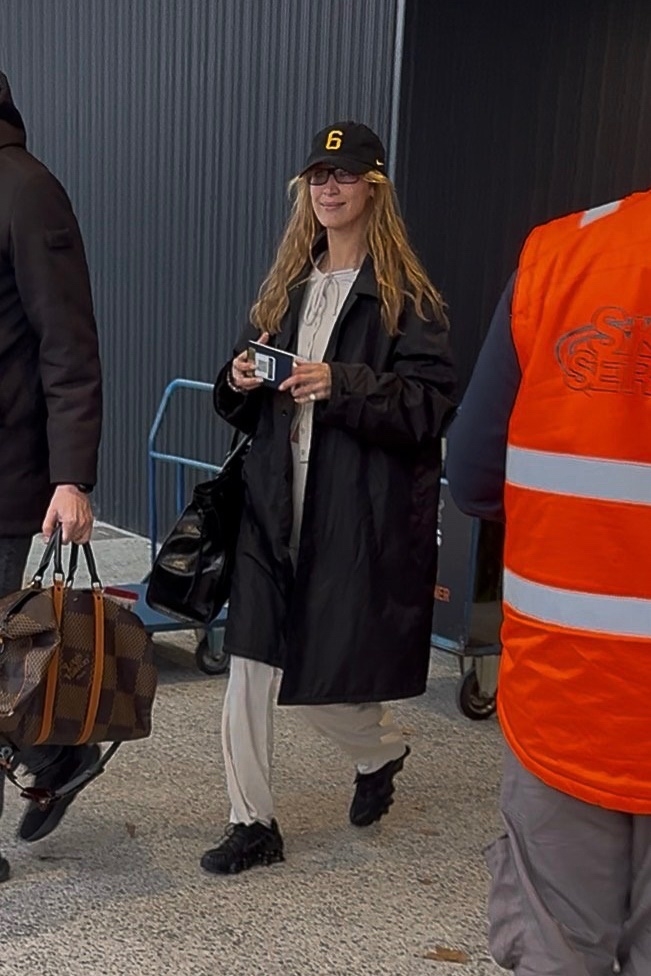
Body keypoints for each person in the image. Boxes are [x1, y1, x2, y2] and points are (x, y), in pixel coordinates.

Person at [203, 120, 457, 875]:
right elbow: (237, 397)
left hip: (350, 515)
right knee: (250, 665)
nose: (328, 189)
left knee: (318, 681)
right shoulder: (289, 287)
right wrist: (237, 378)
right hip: (271, 506)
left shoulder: (407, 298)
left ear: (372, 190)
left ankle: (379, 751)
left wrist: (338, 383)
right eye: (317, 177)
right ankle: (252, 822)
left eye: (343, 177)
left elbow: (429, 406)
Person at [446, 192, 651, 975]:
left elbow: (472, 476)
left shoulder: (564, 254)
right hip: (570, 695)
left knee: (558, 945)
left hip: (572, 695)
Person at [0, 73, 102, 882]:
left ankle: (55, 751)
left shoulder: (28, 191)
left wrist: (71, 475)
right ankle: (54, 753)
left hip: (8, 473)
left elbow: (67, 341)